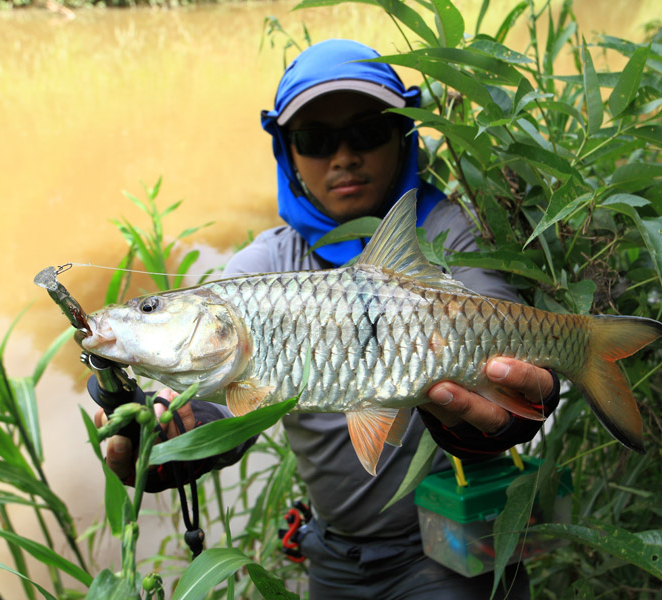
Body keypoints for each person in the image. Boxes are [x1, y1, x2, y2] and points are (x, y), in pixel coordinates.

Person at [92, 39, 559, 599]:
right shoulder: (260, 271)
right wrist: (173, 443)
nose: (343, 156)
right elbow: (223, 404)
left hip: (450, 543)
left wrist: (510, 412)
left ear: (403, 134)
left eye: (367, 131)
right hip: (333, 552)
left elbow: (506, 337)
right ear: (286, 151)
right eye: (314, 139)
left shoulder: (447, 232)